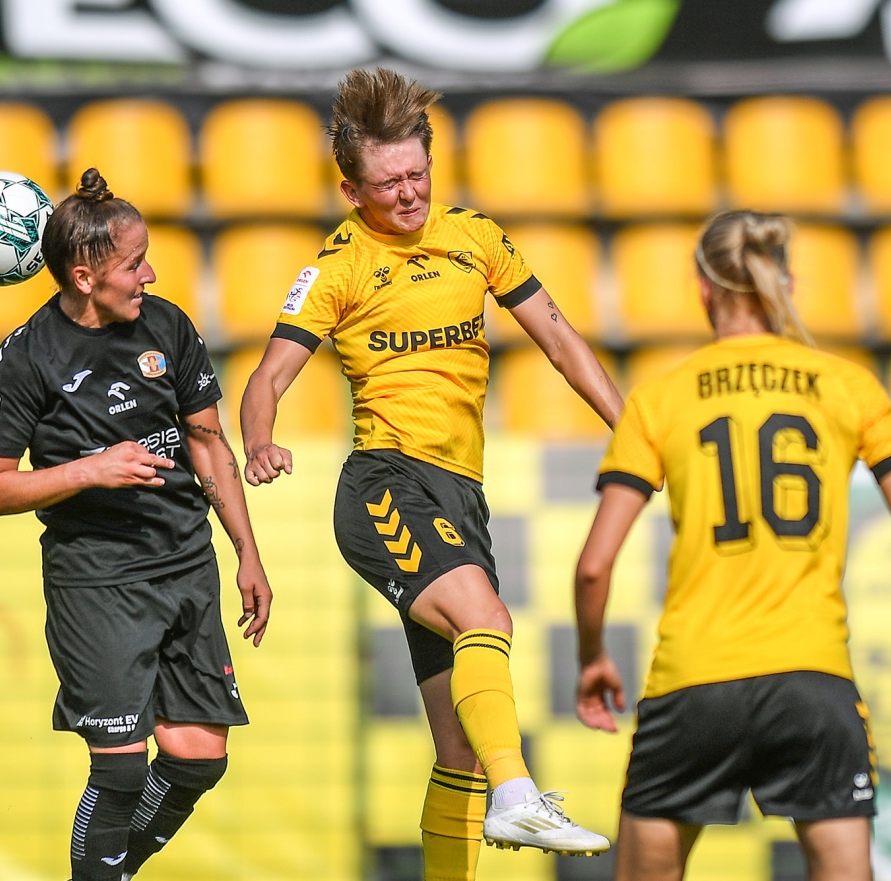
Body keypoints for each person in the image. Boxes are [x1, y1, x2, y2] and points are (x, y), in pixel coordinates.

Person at [240, 67, 623, 878]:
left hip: (458, 496)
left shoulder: (475, 237)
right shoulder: (339, 266)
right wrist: (260, 440)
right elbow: (267, 376)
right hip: (385, 484)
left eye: (418, 174)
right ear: (351, 191)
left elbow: (560, 339)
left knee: (459, 746)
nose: (409, 193)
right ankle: (519, 794)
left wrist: (631, 428)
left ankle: (485, 809)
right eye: (389, 184)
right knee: (489, 617)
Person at [573, 209, 891, 881]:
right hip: (814, 679)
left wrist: (592, 657)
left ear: (703, 289)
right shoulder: (849, 385)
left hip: (693, 681)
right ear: (786, 284)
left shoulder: (660, 398)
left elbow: (593, 566)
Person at [0, 167, 272, 881]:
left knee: (198, 758)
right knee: (121, 766)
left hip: (185, 562)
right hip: (97, 577)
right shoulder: (27, 357)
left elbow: (208, 443)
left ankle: (110, 871)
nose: (149, 275)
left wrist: (247, 553)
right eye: (134, 265)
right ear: (84, 277)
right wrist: (90, 470)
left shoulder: (168, 326)